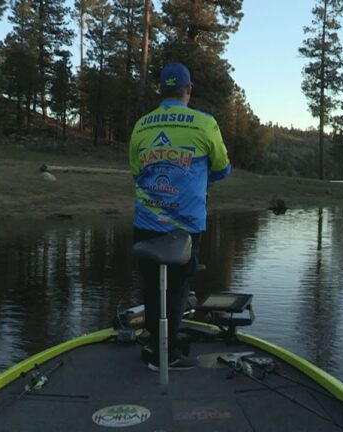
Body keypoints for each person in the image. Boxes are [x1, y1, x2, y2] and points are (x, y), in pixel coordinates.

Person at [129, 63, 231, 370]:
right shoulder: (204, 122)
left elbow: (137, 171)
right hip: (185, 223)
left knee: (150, 285)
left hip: (145, 222)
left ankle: (152, 341)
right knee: (176, 287)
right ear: (188, 90)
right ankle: (167, 354)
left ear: (161, 91)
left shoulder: (142, 124)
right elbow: (223, 167)